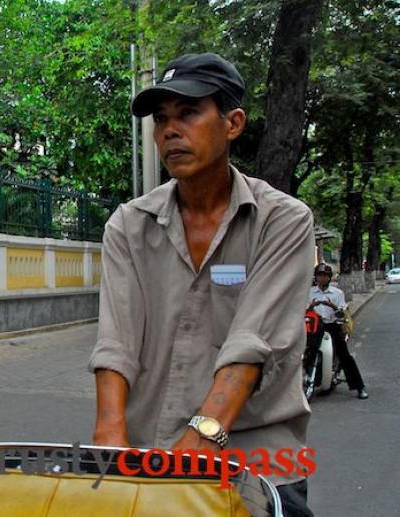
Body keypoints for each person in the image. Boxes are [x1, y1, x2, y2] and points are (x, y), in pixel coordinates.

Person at [88, 53, 315, 516]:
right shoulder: (129, 226)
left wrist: (200, 442)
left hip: (258, 455)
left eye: (189, 113)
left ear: (232, 124)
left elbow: (251, 345)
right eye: (161, 120)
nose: (171, 131)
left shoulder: (284, 221)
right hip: (147, 450)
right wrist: (110, 437)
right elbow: (116, 342)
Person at [306, 262, 367, 399]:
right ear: (315, 277)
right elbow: (304, 311)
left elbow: (341, 314)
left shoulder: (337, 293)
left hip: (332, 326)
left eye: (325, 275)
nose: (322, 278)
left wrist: (332, 306)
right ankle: (311, 381)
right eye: (319, 275)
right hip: (315, 327)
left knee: (344, 355)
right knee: (308, 352)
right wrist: (311, 307)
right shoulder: (309, 293)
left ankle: (359, 387)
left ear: (329, 277)